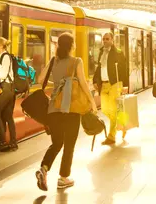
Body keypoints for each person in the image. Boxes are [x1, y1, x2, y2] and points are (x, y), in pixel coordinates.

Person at [36, 32, 97, 191]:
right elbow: (83, 84)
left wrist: (58, 82)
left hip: (53, 109)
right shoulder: (77, 61)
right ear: (71, 45)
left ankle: (44, 168)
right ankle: (63, 178)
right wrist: (92, 102)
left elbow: (40, 80)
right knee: (69, 144)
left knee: (57, 143)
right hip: (71, 107)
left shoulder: (53, 61)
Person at [93, 32, 127, 145]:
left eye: (107, 39)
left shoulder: (118, 52)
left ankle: (111, 137)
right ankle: (121, 123)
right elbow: (99, 67)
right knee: (104, 109)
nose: (105, 41)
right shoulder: (101, 52)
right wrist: (94, 80)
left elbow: (124, 69)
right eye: (104, 39)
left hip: (115, 84)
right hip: (104, 84)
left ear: (112, 40)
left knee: (112, 110)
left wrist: (125, 85)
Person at [0, 37, 17, 152]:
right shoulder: (2, 57)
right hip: (9, 89)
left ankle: (2, 142)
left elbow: (2, 75)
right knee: (8, 116)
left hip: (6, 89)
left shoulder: (5, 57)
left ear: (1, 46)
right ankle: (13, 143)